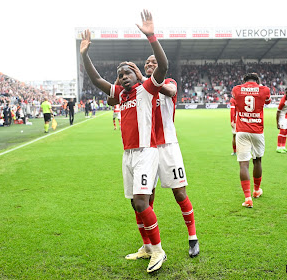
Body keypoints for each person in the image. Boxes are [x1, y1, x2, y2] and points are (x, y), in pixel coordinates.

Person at [80, 10, 168, 273]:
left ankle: (159, 251)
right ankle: (147, 248)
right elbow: (96, 80)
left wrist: (151, 36)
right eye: (119, 75)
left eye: (127, 73)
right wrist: (85, 55)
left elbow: (163, 67)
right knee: (134, 203)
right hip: (128, 154)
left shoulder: (146, 89)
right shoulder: (120, 94)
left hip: (146, 151)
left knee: (142, 202)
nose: (122, 77)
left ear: (137, 74)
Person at [123, 55, 200, 258]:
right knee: (145, 199)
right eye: (147, 62)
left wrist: (141, 78)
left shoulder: (168, 82)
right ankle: (148, 246)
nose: (149, 64)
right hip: (147, 148)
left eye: (153, 62)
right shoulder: (142, 89)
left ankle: (193, 238)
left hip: (168, 147)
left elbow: (171, 91)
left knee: (180, 194)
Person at [232, 73, 271, 208]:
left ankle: (248, 198)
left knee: (243, 164)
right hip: (257, 130)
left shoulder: (236, 89)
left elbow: (235, 101)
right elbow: (267, 102)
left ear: (244, 80)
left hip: (242, 130)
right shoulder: (265, 89)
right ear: (257, 80)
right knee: (257, 160)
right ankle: (256, 190)